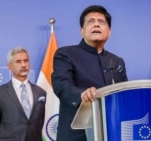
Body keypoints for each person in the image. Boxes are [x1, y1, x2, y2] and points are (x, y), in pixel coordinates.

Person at [51, 5, 128, 141]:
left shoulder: (117, 61)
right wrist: (81, 95)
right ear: (82, 30)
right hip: (76, 135)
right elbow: (61, 84)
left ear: (109, 31)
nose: (96, 24)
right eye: (91, 21)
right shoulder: (65, 54)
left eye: (101, 22)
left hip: (111, 133)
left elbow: (124, 94)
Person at [0, 47, 46, 141]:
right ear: (10, 66)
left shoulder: (40, 92)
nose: (23, 65)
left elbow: (40, 122)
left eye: (26, 61)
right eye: (18, 62)